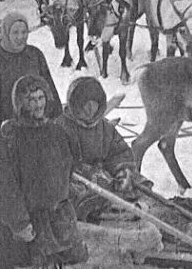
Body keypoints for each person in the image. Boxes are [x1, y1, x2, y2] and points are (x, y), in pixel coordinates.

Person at [0, 74, 88, 269]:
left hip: (53, 223)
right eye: (31, 99)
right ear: (20, 102)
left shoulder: (56, 133)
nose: (38, 104)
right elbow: (2, 186)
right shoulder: (9, 137)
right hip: (24, 225)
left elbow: (71, 166)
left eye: (41, 97)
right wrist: (19, 223)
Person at [61, 76, 144, 222]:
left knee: (136, 184)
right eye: (85, 105)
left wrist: (122, 171)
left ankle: (126, 208)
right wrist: (87, 172)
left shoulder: (104, 128)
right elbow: (57, 162)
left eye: (94, 105)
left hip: (104, 177)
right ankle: (103, 215)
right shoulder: (61, 126)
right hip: (75, 180)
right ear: (75, 105)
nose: (90, 110)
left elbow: (118, 152)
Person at [0, 10, 62, 130]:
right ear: (6, 33)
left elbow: (49, 88)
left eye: (24, 32)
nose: (20, 37)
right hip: (12, 128)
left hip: (38, 124)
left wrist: (57, 118)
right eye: (15, 32)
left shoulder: (35, 55)